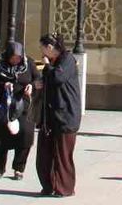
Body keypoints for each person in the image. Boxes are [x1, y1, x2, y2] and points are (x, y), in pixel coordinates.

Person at [35, 34, 82, 198]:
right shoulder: (53, 62)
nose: (41, 52)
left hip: (65, 115)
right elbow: (49, 80)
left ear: (49, 47)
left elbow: (57, 77)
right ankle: (49, 185)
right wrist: (38, 84)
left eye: (42, 48)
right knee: (45, 154)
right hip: (49, 116)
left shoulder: (67, 59)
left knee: (62, 155)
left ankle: (64, 188)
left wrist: (47, 66)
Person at [0, 41, 36, 181]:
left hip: (24, 106)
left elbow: (38, 79)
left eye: (18, 58)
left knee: (25, 135)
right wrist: (4, 85)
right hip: (5, 106)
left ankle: (19, 168)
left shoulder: (29, 63)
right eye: (13, 57)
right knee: (0, 137)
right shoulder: (0, 65)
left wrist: (31, 86)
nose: (16, 60)